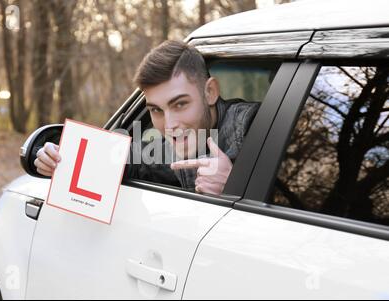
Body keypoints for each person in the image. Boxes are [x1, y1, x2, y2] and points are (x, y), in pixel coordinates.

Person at [34, 40, 258, 195]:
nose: (169, 126)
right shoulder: (172, 148)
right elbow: (126, 158)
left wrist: (236, 186)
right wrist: (56, 156)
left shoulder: (256, 127)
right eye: (156, 110)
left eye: (180, 104)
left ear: (210, 92)